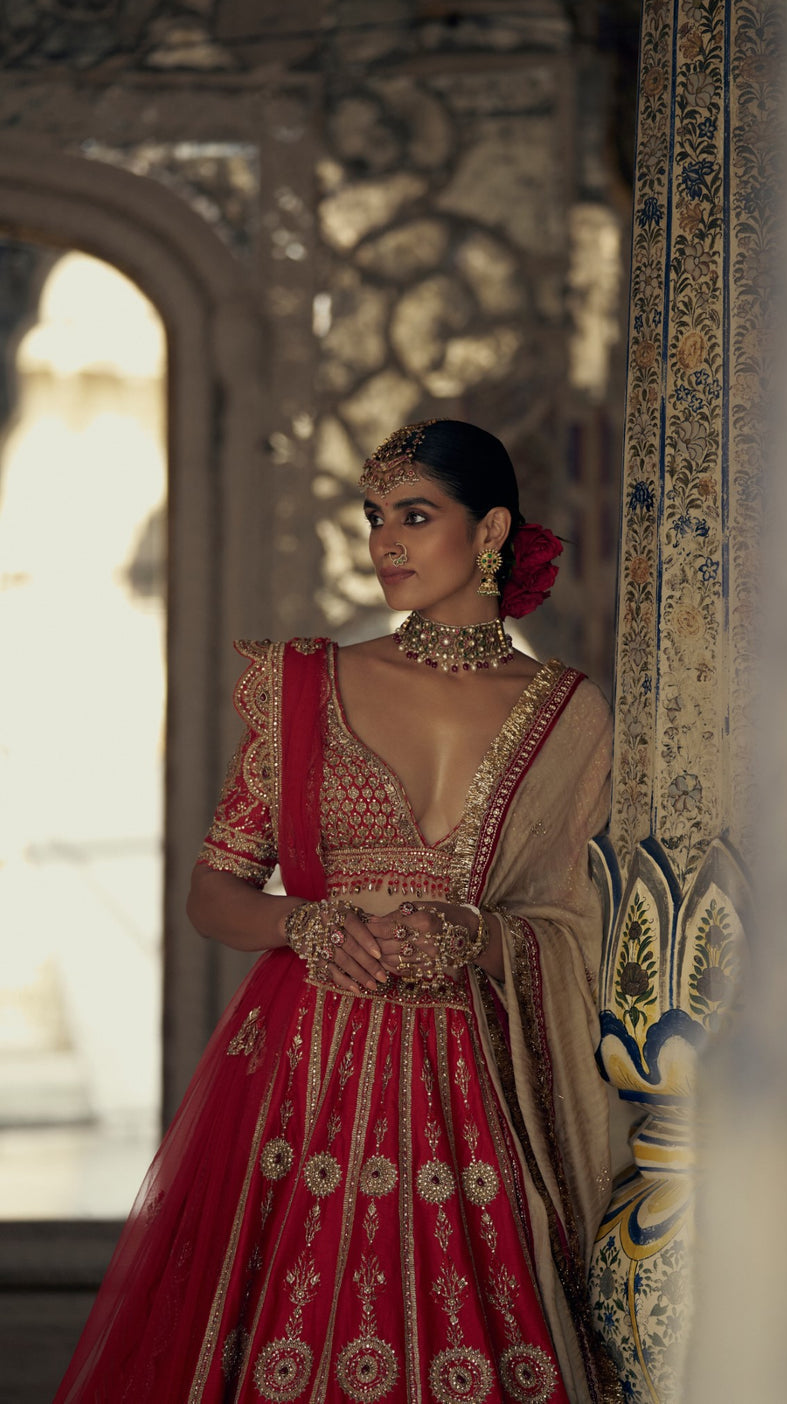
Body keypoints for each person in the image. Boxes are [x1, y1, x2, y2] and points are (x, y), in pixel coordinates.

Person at [54, 419, 620, 1404]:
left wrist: (478, 936)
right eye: (373, 518)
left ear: (489, 529)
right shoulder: (306, 687)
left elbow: (589, 923)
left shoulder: (571, 715)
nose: (385, 543)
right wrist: (305, 924)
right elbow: (213, 892)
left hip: (479, 1087)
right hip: (308, 1075)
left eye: (414, 514)